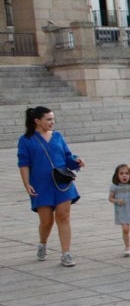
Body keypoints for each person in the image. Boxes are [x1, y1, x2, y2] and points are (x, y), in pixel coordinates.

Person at [18, 107, 84, 266]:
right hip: (41, 184)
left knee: (63, 216)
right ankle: (43, 243)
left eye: (53, 119)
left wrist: (77, 161)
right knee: (46, 221)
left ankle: (66, 253)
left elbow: (67, 157)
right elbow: (24, 164)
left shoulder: (58, 136)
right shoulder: (26, 140)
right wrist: (26, 184)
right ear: (37, 121)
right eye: (48, 119)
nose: (52, 122)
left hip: (62, 183)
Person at [108, 163, 130, 256]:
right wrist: (116, 200)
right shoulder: (115, 186)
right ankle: (127, 247)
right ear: (117, 175)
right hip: (122, 209)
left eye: (127, 173)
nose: (124, 175)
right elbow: (110, 198)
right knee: (125, 229)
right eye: (121, 173)